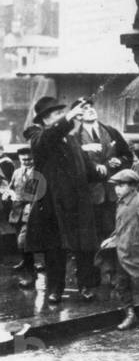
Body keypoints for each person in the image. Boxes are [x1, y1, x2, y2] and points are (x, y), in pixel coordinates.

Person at [23, 97, 101, 304]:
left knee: (84, 248)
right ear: (45, 119)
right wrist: (69, 116)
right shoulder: (39, 137)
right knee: (55, 250)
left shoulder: (72, 140)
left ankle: (86, 286)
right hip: (54, 205)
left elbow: (87, 169)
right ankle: (54, 290)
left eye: (61, 113)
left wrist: (103, 170)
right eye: (57, 114)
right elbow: (48, 137)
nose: (62, 116)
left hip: (78, 203)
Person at [95, 169, 139, 331]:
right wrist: (112, 238)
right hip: (122, 250)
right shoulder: (120, 203)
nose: (117, 189)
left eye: (121, 185)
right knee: (121, 283)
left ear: (133, 186)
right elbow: (122, 226)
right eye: (116, 185)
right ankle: (130, 314)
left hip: (136, 251)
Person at [77, 100, 135, 240]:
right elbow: (73, 164)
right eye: (85, 108)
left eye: (91, 106)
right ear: (78, 115)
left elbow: (128, 155)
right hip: (89, 195)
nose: (90, 109)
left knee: (114, 232)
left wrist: (120, 161)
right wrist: (93, 166)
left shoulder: (111, 131)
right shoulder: (75, 137)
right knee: (93, 235)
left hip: (113, 193)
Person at [4, 147, 40, 288]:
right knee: (21, 241)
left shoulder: (38, 174)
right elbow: (11, 187)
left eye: (29, 159)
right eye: (23, 160)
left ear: (34, 158)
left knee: (23, 242)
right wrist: (8, 193)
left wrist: (19, 198)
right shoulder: (17, 172)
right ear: (19, 159)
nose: (26, 162)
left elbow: (36, 195)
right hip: (16, 213)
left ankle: (31, 275)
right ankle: (26, 262)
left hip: (30, 212)